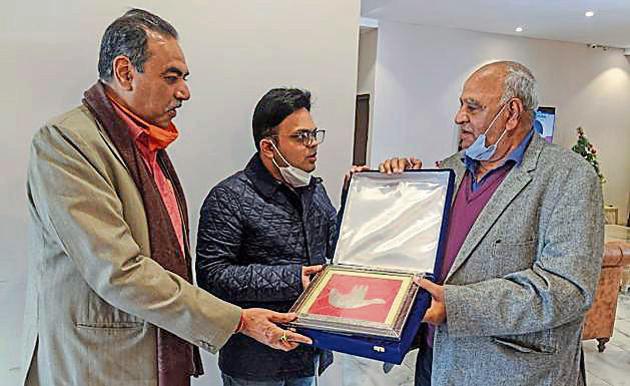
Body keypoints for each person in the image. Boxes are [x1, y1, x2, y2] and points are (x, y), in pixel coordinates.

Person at [23, 10, 309, 386]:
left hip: (156, 345)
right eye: (171, 77)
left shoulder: (147, 145)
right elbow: (119, 271)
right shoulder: (67, 142)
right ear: (125, 72)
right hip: (102, 361)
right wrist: (237, 319)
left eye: (184, 78)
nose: (184, 92)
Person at [377, 61, 604, 386]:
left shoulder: (569, 177)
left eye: (472, 107)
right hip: (435, 361)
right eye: (460, 105)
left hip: (511, 373)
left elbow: (568, 290)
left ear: (512, 113)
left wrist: (456, 306)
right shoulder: (450, 170)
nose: (459, 118)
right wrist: (389, 189)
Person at [196, 88, 338, 386]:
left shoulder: (314, 190)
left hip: (306, 349)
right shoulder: (228, 198)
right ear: (268, 147)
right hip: (255, 361)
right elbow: (212, 276)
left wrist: (361, 192)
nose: (313, 145)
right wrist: (293, 278)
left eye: (314, 134)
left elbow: (337, 245)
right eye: (300, 137)